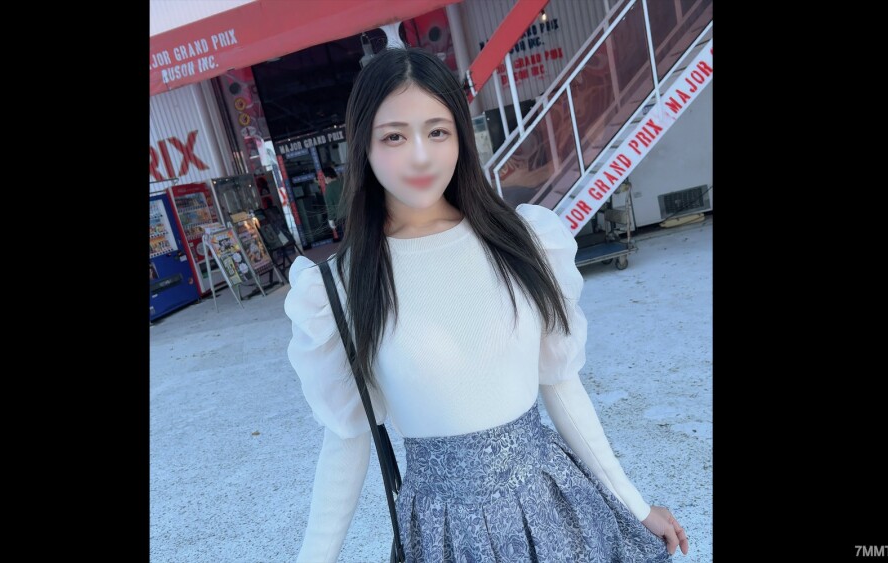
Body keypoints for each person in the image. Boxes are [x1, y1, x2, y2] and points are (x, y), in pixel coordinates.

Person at [284, 47, 688, 562]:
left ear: (460, 137)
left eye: (437, 131)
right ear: (363, 145)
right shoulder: (338, 288)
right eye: (394, 137)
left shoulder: (524, 241)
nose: (421, 156)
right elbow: (346, 438)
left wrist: (634, 504)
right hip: (445, 537)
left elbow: (561, 385)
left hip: (552, 512)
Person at [321, 164, 344, 241]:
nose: (324, 180)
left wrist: (330, 219)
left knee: (346, 239)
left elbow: (330, 207)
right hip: (355, 214)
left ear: (327, 177)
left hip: (341, 218)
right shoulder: (344, 182)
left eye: (323, 178)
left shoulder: (328, 189)